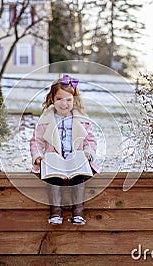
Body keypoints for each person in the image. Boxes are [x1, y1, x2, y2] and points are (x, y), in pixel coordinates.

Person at [30, 74, 99, 225]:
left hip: (75, 159)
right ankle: (56, 212)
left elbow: (90, 141)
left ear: (74, 101)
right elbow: (37, 140)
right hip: (54, 159)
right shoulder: (46, 120)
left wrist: (88, 153)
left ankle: (78, 212)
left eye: (68, 99)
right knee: (54, 180)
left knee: (79, 179)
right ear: (52, 100)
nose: (64, 103)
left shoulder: (81, 119)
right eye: (60, 99)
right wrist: (38, 156)